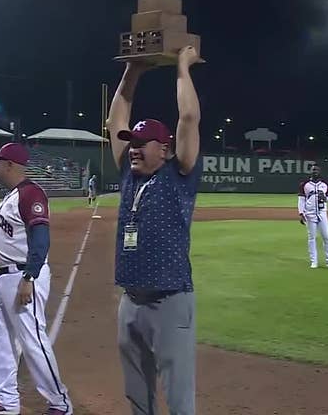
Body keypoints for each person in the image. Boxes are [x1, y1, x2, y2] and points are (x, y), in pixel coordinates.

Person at [105, 46, 203, 415]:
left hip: (170, 301)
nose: (132, 148)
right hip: (130, 300)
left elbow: (189, 117)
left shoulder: (180, 176)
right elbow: (116, 121)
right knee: (136, 394)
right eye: (132, 143)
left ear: (163, 149)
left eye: (141, 144)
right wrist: (132, 71)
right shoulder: (129, 174)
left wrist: (181, 67)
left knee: (178, 397)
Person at [0, 142, 72, 415]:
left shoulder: (31, 194)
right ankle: (6, 401)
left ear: (10, 165)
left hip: (22, 275)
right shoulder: (12, 196)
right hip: (6, 278)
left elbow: (41, 237)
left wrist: (30, 275)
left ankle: (60, 403)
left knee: (32, 340)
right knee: (2, 338)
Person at [297, 164, 328, 269]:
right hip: (310, 214)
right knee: (312, 238)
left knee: (326, 237)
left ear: (320, 171)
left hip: (322, 213)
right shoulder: (305, 184)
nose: (315, 171)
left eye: (316, 170)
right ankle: (314, 261)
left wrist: (325, 198)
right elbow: (301, 199)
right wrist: (301, 213)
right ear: (310, 172)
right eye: (313, 170)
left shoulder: (325, 184)